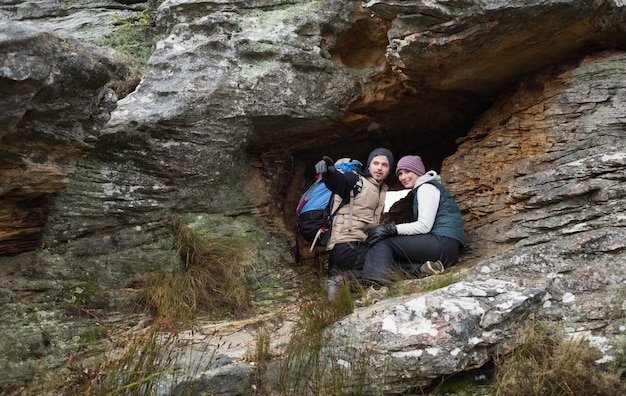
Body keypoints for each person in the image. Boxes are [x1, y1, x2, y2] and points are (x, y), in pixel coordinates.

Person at [360, 155, 464, 284]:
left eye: (408, 171)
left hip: (444, 243)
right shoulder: (423, 188)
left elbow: (424, 226)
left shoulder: (426, 187)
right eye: (400, 173)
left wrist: (390, 229)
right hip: (447, 247)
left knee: (383, 243)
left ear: (418, 171)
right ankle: (422, 269)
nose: (403, 177)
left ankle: (376, 287)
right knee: (389, 256)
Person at [314, 148, 393, 285]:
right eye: (376, 163)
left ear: (389, 170)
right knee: (387, 264)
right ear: (369, 166)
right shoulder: (356, 179)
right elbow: (340, 182)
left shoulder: (380, 189)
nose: (379, 168)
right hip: (345, 245)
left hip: (359, 246)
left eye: (384, 165)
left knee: (386, 262)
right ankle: (341, 281)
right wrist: (329, 173)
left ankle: (341, 277)